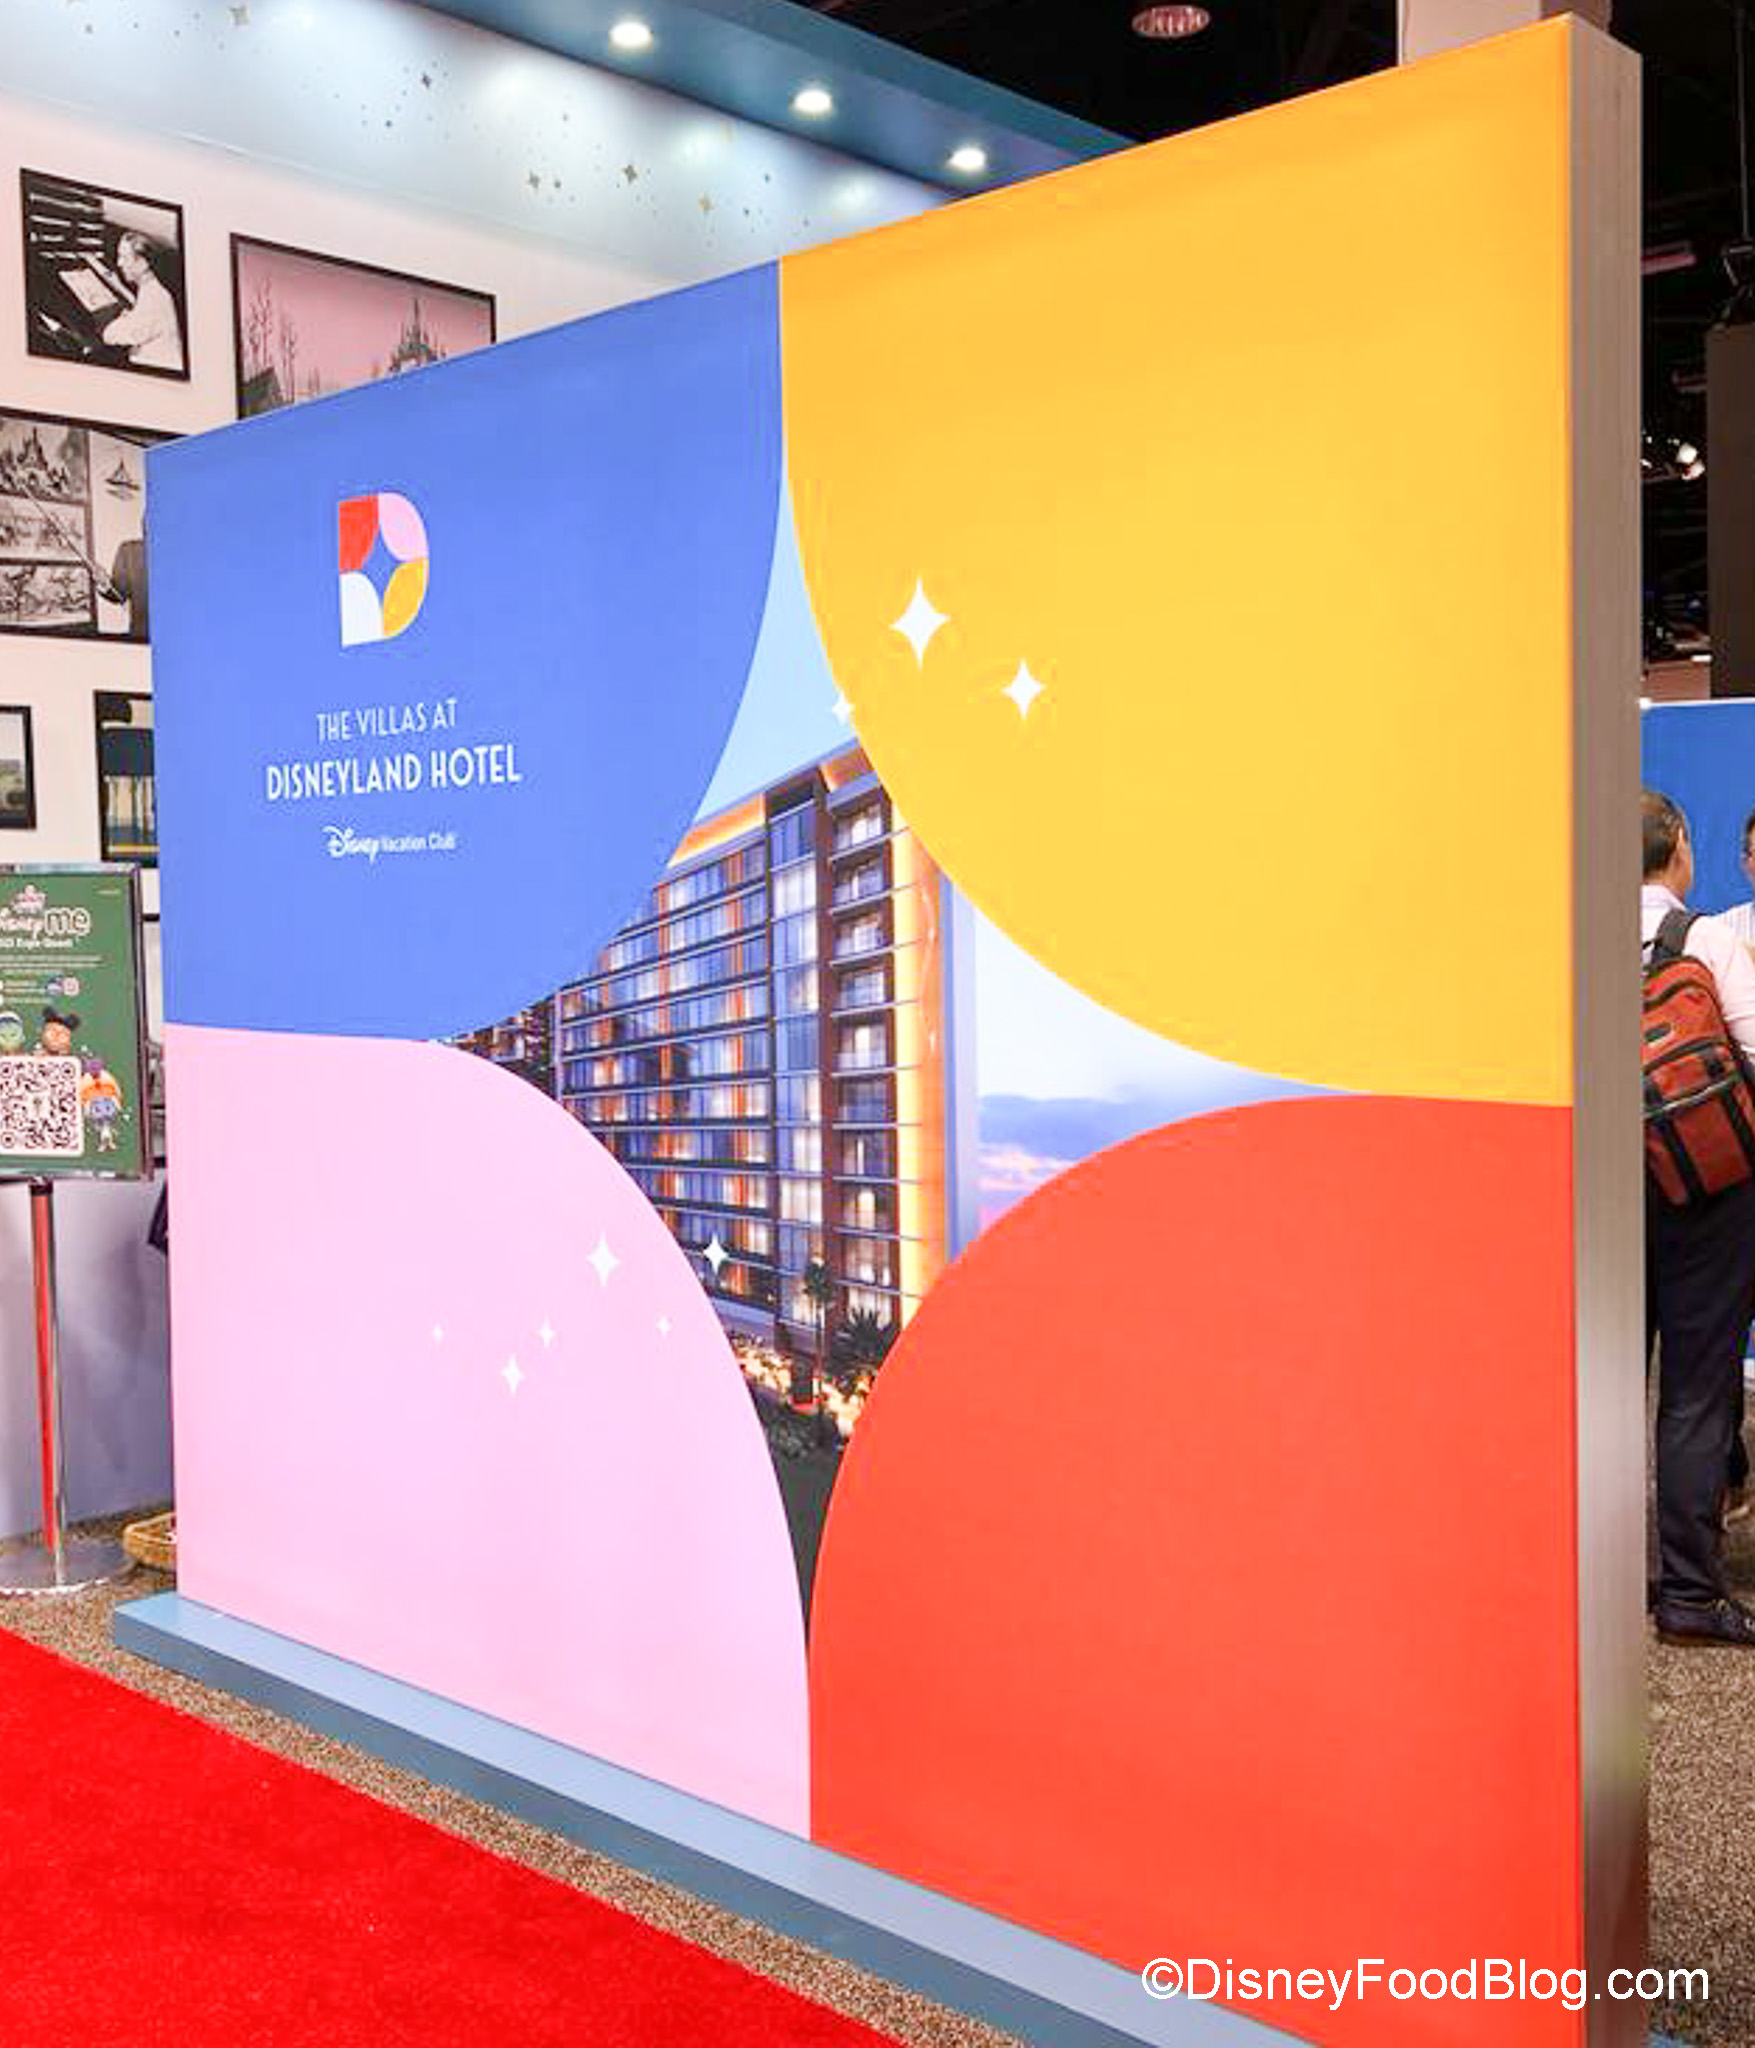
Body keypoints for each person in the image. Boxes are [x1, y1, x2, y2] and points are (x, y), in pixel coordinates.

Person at [1644, 789, 1755, 1645]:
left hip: (1591, 1188)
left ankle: (1597, 1577)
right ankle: (1686, 1592)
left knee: (1597, 1385)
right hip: (1703, 1188)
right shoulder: (1705, 938)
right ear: (1679, 843)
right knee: (1693, 1389)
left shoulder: (1564, 941)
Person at [100, 231, 183, 373]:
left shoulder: (155, 297)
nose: (119, 263)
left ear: (143, 263)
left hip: (160, 371)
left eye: (124, 257)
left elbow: (112, 335)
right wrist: (118, 286)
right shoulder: (152, 286)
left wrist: (111, 325)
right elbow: (142, 312)